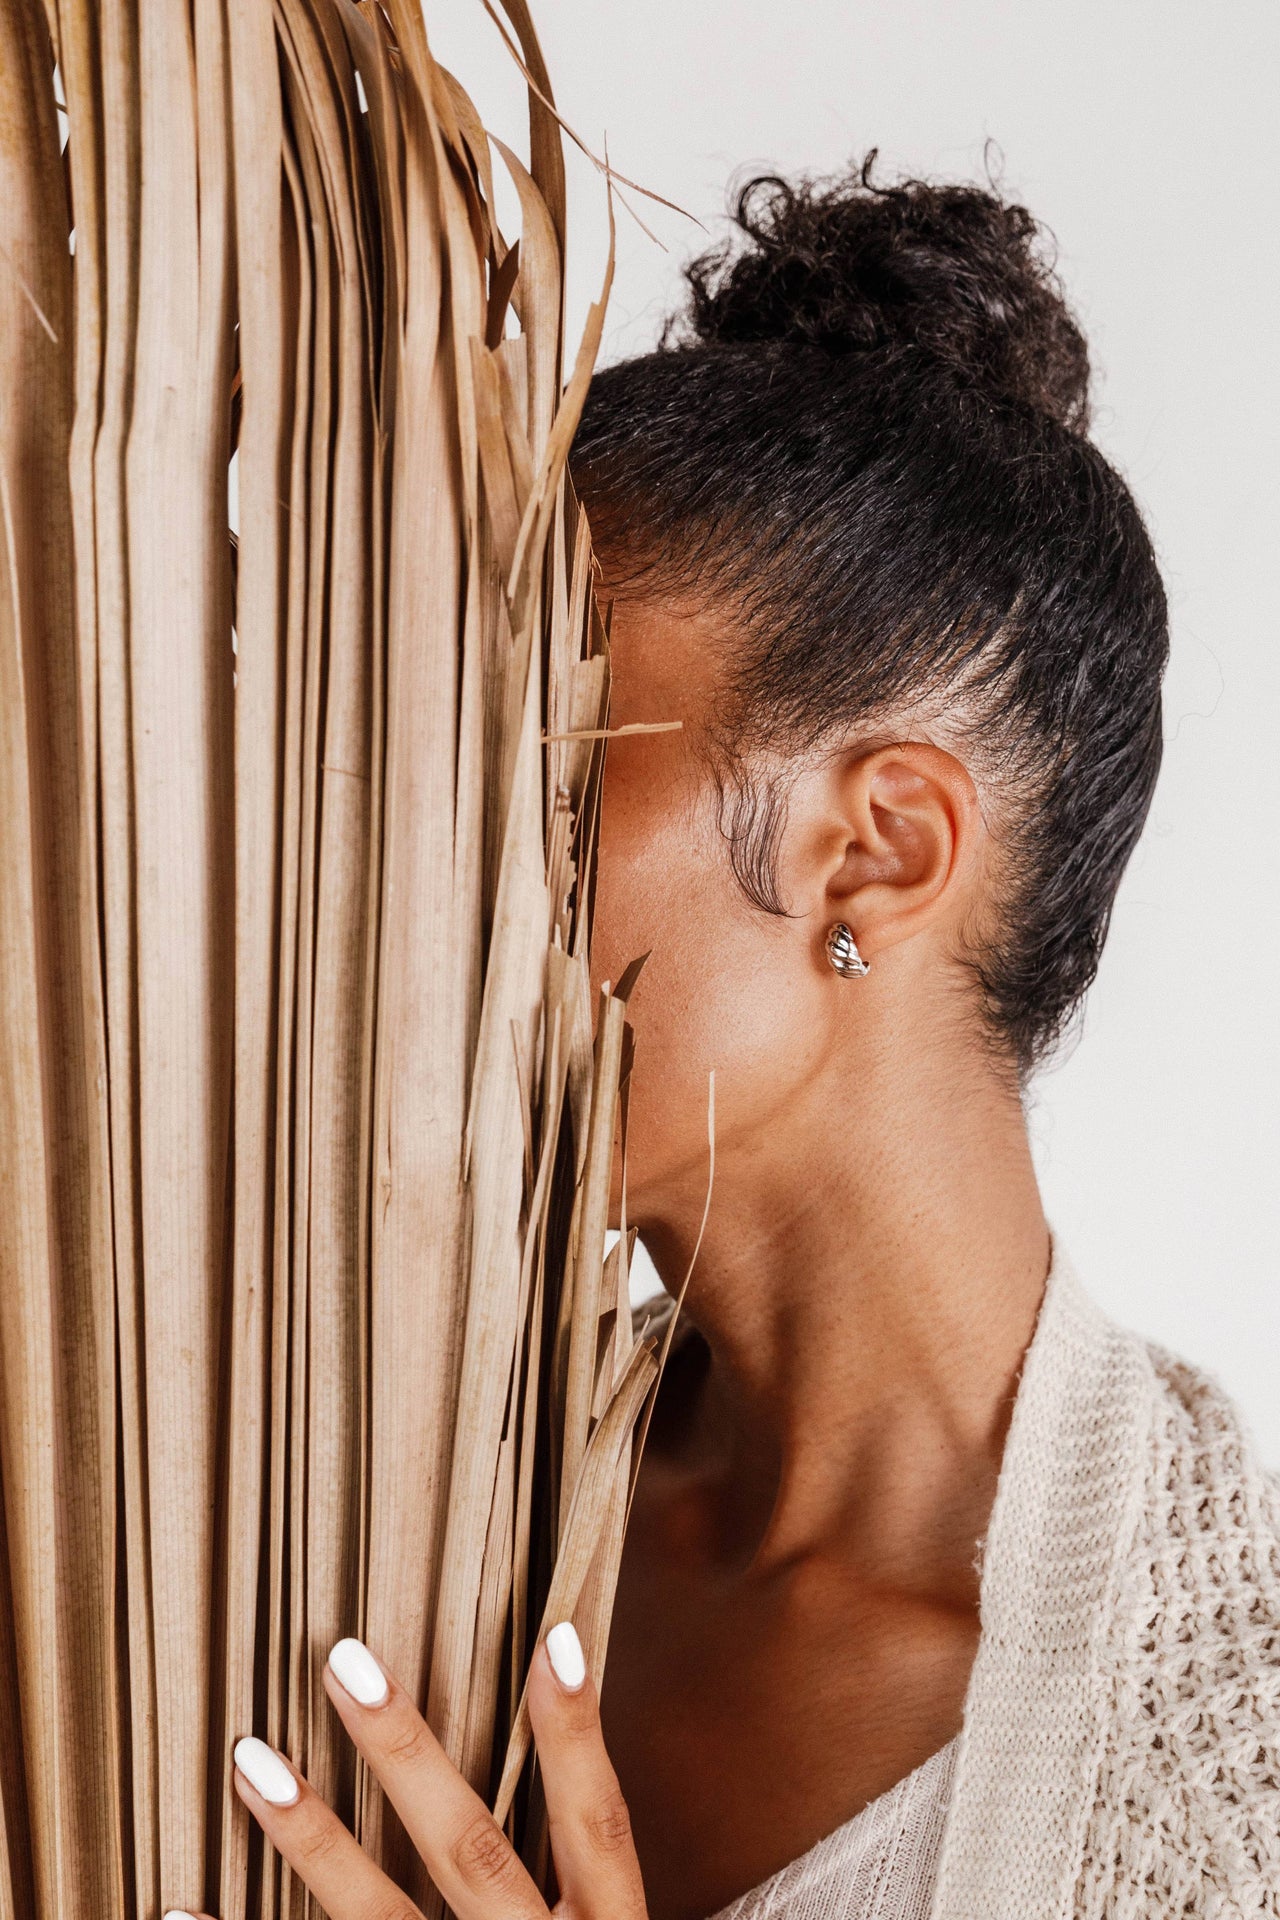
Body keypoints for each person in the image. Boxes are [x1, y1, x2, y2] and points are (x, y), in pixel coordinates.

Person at [193, 163, 1280, 1920]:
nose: (402, 900)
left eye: (527, 788)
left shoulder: (1228, 1798)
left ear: (881, 845)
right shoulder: (322, 1482)